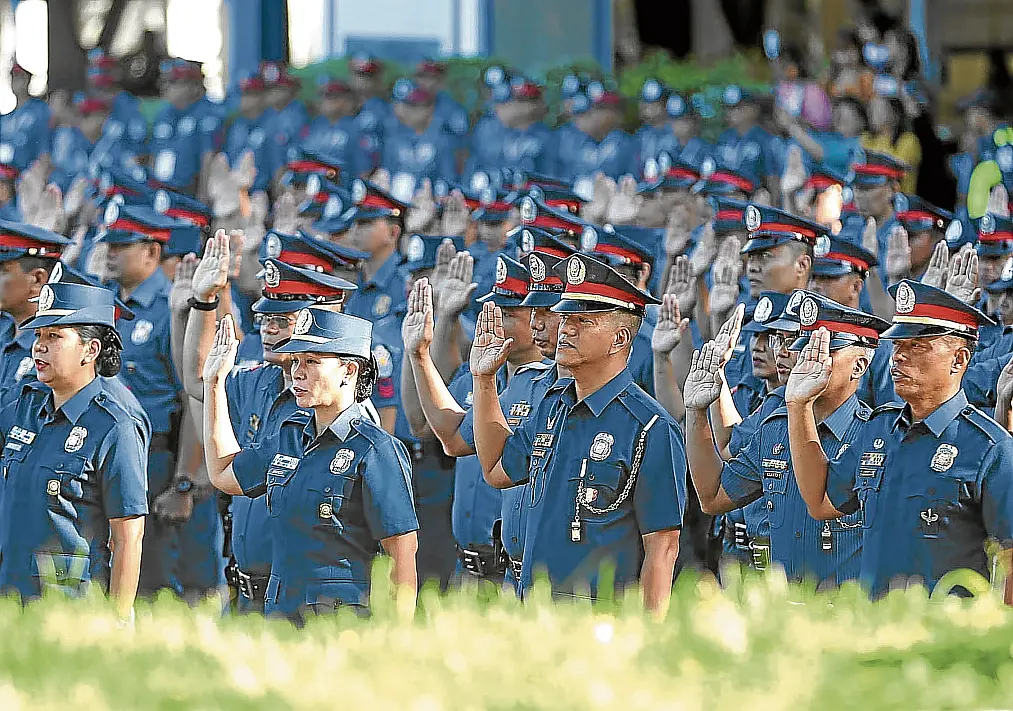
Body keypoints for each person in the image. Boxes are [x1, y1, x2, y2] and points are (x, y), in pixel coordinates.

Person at [471, 252, 686, 613]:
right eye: (566, 316)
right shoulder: (553, 404)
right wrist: (484, 380)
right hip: (531, 613)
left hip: (598, 625)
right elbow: (496, 469)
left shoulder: (650, 427)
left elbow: (662, 548)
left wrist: (649, 640)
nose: (566, 328)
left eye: (583, 321)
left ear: (619, 339)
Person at [787, 280, 1013, 602]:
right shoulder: (880, 428)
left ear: (959, 360)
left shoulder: (991, 449)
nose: (900, 356)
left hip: (943, 642)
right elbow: (821, 501)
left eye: (917, 346)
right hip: (873, 633)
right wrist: (799, 406)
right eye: (897, 344)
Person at [202, 309, 419, 622]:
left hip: (340, 626)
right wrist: (214, 383)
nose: (297, 372)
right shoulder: (290, 435)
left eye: (312, 361)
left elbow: (402, 554)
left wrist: (393, 638)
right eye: (295, 361)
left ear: (348, 370)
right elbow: (223, 473)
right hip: (279, 618)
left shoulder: (376, 450)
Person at [182, 231, 359, 612]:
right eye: (264, 318)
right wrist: (203, 302)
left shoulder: (335, 403)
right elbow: (198, 381)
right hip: (245, 589)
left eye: (283, 320)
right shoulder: (259, 378)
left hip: (305, 598)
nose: (268, 329)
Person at [686, 291, 889, 585]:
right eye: (802, 347)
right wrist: (697, 411)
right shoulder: (775, 428)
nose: (805, 360)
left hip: (846, 615)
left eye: (821, 351)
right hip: (782, 610)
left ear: (858, 367)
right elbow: (713, 496)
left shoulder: (876, 435)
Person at [0, 281, 148, 623]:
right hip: (10, 600)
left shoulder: (115, 426)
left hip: (68, 610)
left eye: (55, 337)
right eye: (39, 337)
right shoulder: (26, 405)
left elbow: (128, 537)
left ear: (90, 350)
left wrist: (119, 619)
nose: (39, 348)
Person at [403, 254, 548, 584]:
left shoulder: (552, 388)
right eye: (493, 311)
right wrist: (419, 354)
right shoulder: (481, 374)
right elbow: (445, 435)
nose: (495, 322)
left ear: (541, 318)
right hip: (469, 569)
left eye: (509, 315)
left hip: (521, 571)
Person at [96, 201, 196, 596]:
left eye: (122, 246)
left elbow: (194, 399)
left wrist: (183, 483)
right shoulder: (100, 301)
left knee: (150, 576)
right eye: (110, 245)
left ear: (152, 252)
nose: (110, 254)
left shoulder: (172, 307)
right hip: (99, 449)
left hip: (153, 455)